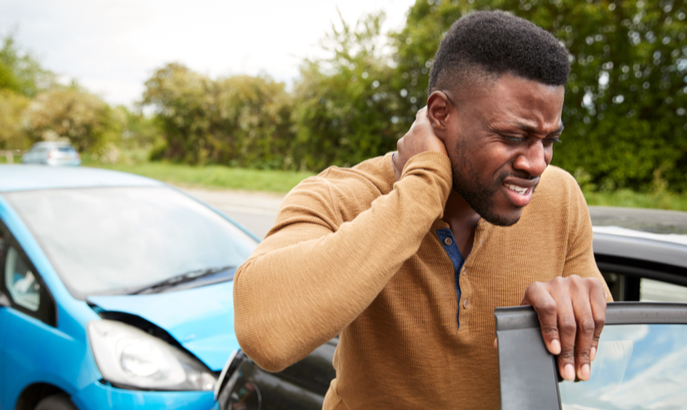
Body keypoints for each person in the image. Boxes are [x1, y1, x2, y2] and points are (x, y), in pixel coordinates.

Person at [233, 10, 611, 409]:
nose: (537, 163)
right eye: (513, 136)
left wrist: (580, 319)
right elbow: (265, 337)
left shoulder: (560, 197)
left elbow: (620, 369)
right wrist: (423, 186)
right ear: (440, 114)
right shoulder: (338, 197)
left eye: (549, 139)